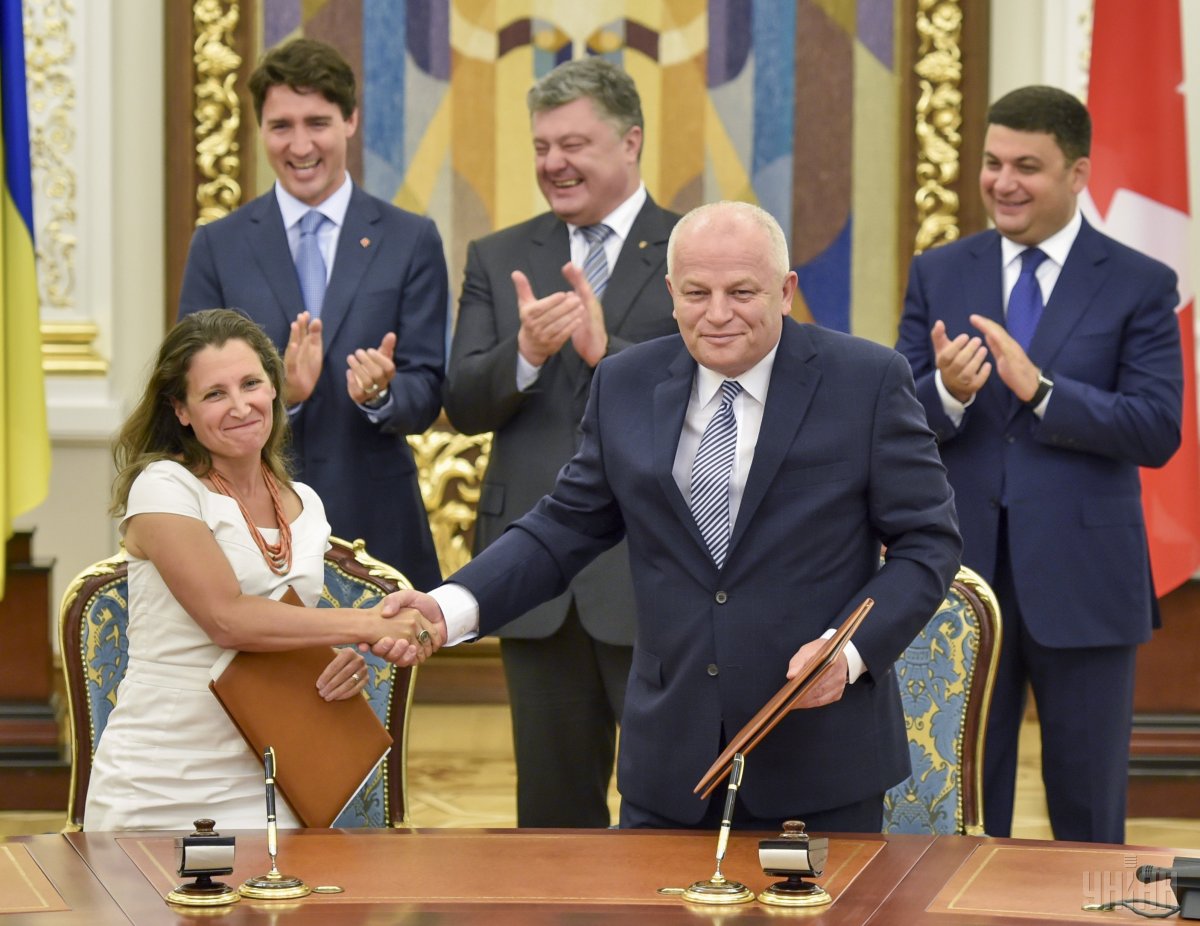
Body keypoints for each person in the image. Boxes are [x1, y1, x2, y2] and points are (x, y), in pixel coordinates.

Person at [386, 202, 961, 830]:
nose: (717, 314)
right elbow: (563, 528)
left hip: (818, 755)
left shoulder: (868, 381)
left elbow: (925, 543)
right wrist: (449, 608)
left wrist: (848, 652)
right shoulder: (624, 383)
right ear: (671, 293)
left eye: (742, 292)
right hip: (669, 766)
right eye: (697, 293)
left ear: (786, 291)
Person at [895, 86, 1183, 844]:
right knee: (956, 812)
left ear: (1079, 173)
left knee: (1089, 816)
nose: (1003, 182)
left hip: (1086, 582)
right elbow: (893, 424)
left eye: (1028, 165)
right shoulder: (939, 272)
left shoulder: (1139, 282)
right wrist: (949, 395)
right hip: (960, 582)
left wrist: (1044, 391)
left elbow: (1158, 429)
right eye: (992, 163)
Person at [83, 310, 439, 832]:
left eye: (251, 384)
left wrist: (334, 663)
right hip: (157, 781)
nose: (240, 405)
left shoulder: (306, 504)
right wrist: (367, 626)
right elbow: (227, 619)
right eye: (214, 394)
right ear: (181, 411)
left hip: (271, 779)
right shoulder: (164, 487)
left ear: (275, 388)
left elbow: (286, 630)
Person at [442, 58, 681, 828]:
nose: (553, 163)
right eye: (542, 146)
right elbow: (463, 402)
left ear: (631, 141)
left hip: (657, 566)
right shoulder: (499, 255)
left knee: (670, 798)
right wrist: (527, 354)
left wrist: (606, 355)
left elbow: (722, 397)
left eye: (573, 144)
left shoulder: (694, 249)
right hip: (536, 577)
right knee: (550, 812)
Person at [179, 38, 447, 591]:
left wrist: (380, 394)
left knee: (378, 682)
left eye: (317, 122)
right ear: (260, 130)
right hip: (247, 526)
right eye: (281, 126)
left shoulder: (410, 239)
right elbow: (192, 391)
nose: (300, 144)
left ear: (350, 120)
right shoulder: (217, 246)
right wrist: (281, 395)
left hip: (376, 525)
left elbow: (427, 389)